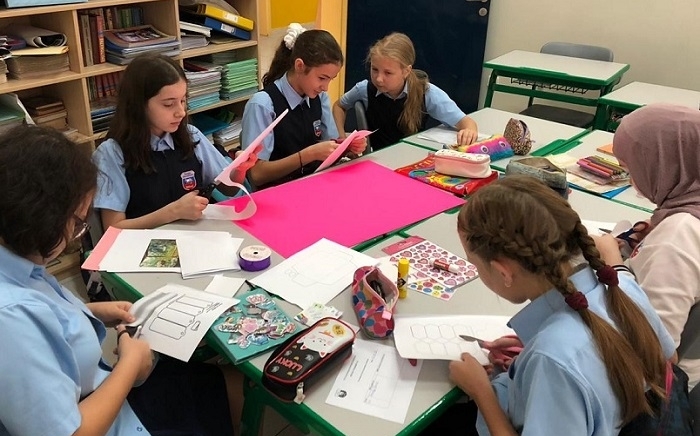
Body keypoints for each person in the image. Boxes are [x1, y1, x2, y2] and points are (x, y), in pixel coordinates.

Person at [0, 125, 235, 435]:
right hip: (105, 416)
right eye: (78, 223)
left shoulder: (18, 262)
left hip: (101, 393)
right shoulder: (9, 318)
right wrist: (129, 365)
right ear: (43, 219)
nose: (76, 233)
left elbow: (41, 320)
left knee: (216, 383)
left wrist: (92, 312)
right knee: (218, 389)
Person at [450, 175, 680, 435]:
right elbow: (669, 358)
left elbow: (563, 359)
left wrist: (480, 391)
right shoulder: (622, 286)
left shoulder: (551, 359)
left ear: (504, 272)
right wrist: (531, 353)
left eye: (474, 263)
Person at [595, 103, 700, 388]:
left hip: (650, 387)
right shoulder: (685, 214)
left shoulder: (677, 237)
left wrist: (612, 261)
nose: (633, 182)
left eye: (631, 169)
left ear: (665, 165)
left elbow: (654, 348)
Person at [93, 53, 251, 230]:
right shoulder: (112, 153)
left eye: (183, 100)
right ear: (138, 105)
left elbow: (227, 190)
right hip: (146, 243)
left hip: (197, 237)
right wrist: (174, 212)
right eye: (168, 104)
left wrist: (239, 170)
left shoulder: (191, 136)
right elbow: (113, 228)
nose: (181, 112)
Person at [240, 23, 366, 189]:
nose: (325, 87)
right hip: (279, 191)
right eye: (322, 78)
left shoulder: (320, 98)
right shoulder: (263, 105)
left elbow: (329, 144)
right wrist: (308, 155)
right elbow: (256, 175)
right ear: (299, 66)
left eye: (330, 79)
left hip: (315, 183)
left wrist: (347, 146)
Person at [332, 32, 479, 151]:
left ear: (406, 71)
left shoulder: (426, 92)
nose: (379, 79)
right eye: (374, 69)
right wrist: (341, 136)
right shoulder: (364, 89)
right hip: (379, 161)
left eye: (388, 73)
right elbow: (339, 106)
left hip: (414, 160)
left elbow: (466, 122)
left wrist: (469, 131)